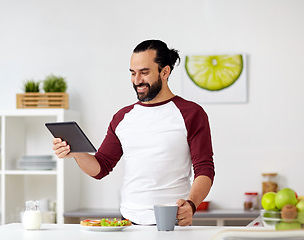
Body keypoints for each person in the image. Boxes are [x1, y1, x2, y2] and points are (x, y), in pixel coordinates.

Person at [52, 39, 215, 226]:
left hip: (172, 222)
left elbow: (204, 168)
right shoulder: (122, 117)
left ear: (165, 72)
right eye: (133, 73)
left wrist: (191, 204)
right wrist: (76, 153)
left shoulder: (191, 113)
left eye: (144, 72)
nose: (137, 80)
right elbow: (101, 167)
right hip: (128, 223)